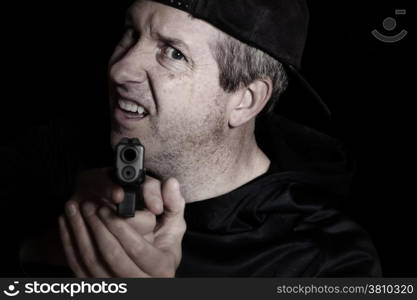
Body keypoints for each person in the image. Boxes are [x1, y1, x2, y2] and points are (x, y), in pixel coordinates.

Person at [20, 0, 382, 277]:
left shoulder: (327, 261)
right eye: (130, 32)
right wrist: (51, 250)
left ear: (244, 101)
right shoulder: (49, 162)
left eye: (173, 53)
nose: (120, 69)